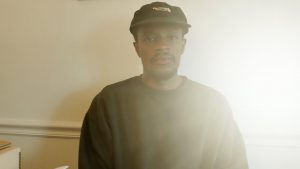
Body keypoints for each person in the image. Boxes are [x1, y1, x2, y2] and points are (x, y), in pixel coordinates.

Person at [79, 1, 248, 169]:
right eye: (151, 38)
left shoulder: (214, 104)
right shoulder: (108, 103)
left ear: (182, 45)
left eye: (172, 37)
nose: (162, 46)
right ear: (137, 47)